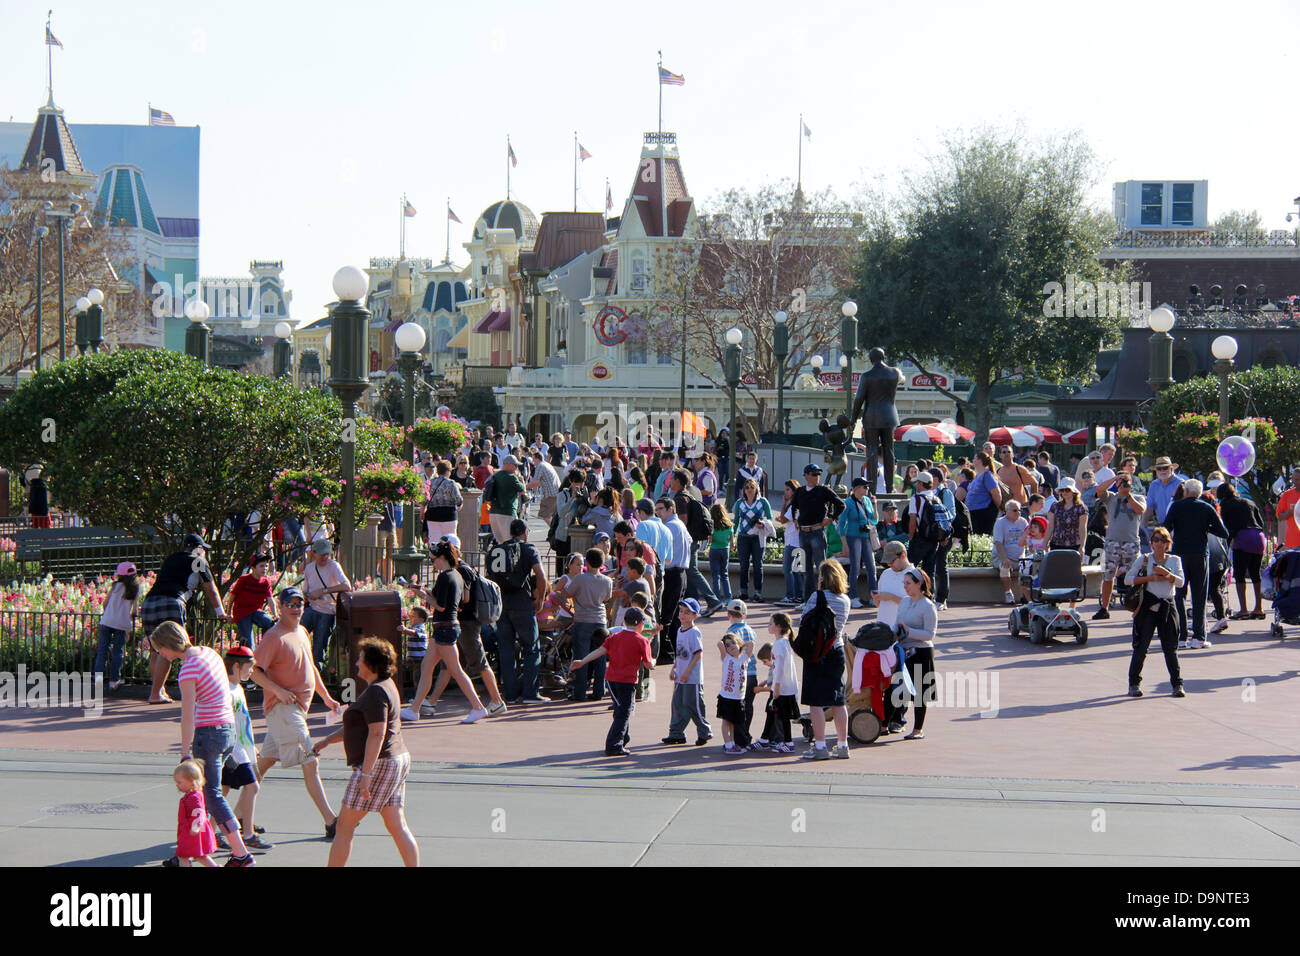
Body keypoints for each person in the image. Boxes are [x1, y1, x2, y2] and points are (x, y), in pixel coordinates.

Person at [150, 622, 255, 867]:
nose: (160, 654)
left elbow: (188, 713)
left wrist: (185, 751)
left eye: (159, 649)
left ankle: (241, 854)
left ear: (167, 645)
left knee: (212, 795)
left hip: (208, 734)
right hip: (228, 730)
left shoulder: (188, 670)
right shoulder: (209, 653)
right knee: (205, 795)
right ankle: (186, 853)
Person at [312, 637, 418, 867]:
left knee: (344, 826)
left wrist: (366, 776)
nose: (357, 663)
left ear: (372, 664)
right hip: (396, 759)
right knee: (396, 824)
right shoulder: (385, 686)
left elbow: (376, 734)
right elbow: (358, 726)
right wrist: (327, 741)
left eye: (360, 658)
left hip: (379, 763)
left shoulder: (376, 693)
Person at [252, 586, 344, 841]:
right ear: (280, 607)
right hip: (284, 710)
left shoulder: (301, 631)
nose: (295, 608)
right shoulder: (273, 637)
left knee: (263, 764)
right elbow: (254, 670)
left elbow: (310, 666)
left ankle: (237, 817)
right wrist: (278, 691)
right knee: (310, 761)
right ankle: (331, 821)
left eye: (298, 603)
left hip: (295, 711)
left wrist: (326, 697)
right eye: (289, 604)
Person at [415, 535, 508, 717]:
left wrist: (436, 599)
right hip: (461, 622)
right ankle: (431, 702)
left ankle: (496, 701)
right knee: (449, 665)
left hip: (467, 623)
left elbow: (463, 600)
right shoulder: (460, 570)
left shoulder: (460, 571)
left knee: (478, 663)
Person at [404, 540, 489, 721]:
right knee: (427, 668)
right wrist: (425, 592)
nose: (432, 562)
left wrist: (422, 595)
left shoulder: (445, 576)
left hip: (444, 627)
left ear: (442, 557)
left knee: (456, 670)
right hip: (446, 627)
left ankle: (478, 707)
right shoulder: (456, 575)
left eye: (433, 559)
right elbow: (456, 600)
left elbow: (440, 606)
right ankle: (414, 709)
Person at [141, 534, 229, 704]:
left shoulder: (171, 559)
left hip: (149, 602)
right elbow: (211, 589)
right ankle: (155, 694)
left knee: (156, 649)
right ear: (199, 549)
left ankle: (159, 691)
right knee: (171, 647)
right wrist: (221, 613)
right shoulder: (198, 561)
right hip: (172, 602)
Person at [571, 606, 655, 756]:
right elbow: (648, 664)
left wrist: (582, 661)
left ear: (625, 621)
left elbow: (600, 651)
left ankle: (623, 738)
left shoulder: (614, 637)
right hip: (627, 681)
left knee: (621, 709)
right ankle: (614, 744)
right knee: (624, 712)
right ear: (641, 623)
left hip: (611, 679)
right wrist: (653, 662)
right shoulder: (642, 641)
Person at [1164, 479, 1230, 649]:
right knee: (1199, 596)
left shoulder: (1176, 506)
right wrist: (1206, 527)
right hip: (1200, 553)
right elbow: (1223, 532)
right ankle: (1199, 637)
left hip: (1179, 553)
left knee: (1179, 594)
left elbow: (1166, 527)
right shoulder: (1206, 507)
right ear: (1200, 493)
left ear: (1186, 491)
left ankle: (1181, 635)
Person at [218, 645, 271, 852]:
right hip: (232, 750)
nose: (252, 671)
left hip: (242, 748)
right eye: (250, 667)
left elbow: (244, 722)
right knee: (252, 786)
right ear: (237, 666)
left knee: (223, 791)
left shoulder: (238, 688)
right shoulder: (225, 690)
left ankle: (211, 832)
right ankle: (247, 834)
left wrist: (252, 746)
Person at [799, 560, 851, 759]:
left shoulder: (816, 596)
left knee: (816, 702)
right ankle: (842, 744)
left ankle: (820, 746)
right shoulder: (845, 600)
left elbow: (805, 619)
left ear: (823, 578)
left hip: (817, 652)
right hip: (836, 650)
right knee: (838, 701)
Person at [1125, 527, 1185, 698]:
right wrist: (1150, 578)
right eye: (1156, 539)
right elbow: (1128, 579)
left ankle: (1177, 684)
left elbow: (1180, 583)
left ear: (1168, 543)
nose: (1159, 543)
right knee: (1141, 648)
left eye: (1163, 540)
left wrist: (1166, 574)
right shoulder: (1144, 559)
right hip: (1148, 608)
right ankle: (1134, 684)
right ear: (1151, 543)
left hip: (1167, 607)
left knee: (1170, 649)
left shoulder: (1175, 560)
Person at [889, 566, 939, 740]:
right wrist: (890, 633)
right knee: (894, 688)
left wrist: (908, 631)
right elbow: (897, 624)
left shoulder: (928, 606)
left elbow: (930, 634)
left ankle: (918, 729)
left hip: (922, 652)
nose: (905, 587)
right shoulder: (904, 601)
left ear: (919, 584)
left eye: (908, 583)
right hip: (903, 651)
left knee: (920, 693)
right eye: (904, 583)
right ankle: (884, 724)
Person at [1094, 473, 1146, 619]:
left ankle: (1139, 607)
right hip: (1112, 542)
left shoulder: (1139, 498)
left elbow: (1140, 510)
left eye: (1127, 482)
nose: (1124, 485)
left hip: (1131, 543)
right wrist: (1115, 478)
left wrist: (1128, 495)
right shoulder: (1111, 497)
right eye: (1122, 482)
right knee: (1108, 576)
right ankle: (1104, 608)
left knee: (1135, 576)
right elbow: (1099, 490)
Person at [565, 548, 614, 702]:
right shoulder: (607, 580)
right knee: (599, 657)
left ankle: (579, 693)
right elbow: (607, 598)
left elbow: (568, 593)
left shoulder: (580, 579)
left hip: (582, 620)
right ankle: (599, 691)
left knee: (581, 657)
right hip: (600, 620)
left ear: (587, 562)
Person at [790, 463, 845, 600]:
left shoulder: (823, 490)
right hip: (803, 533)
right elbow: (794, 506)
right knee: (806, 570)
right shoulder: (800, 491)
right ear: (806, 476)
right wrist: (795, 518)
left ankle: (825, 598)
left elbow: (840, 504)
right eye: (814, 474)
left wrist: (831, 518)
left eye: (819, 474)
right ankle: (808, 600)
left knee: (822, 568)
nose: (817, 477)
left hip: (817, 532)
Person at [662, 598, 712, 745]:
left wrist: (687, 672)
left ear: (694, 616)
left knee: (693, 704)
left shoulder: (694, 632)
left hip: (692, 678)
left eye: (687, 613)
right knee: (677, 704)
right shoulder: (679, 630)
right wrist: (674, 668)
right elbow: (680, 653)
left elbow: (698, 654)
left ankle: (704, 731)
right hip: (680, 676)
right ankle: (676, 733)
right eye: (681, 612)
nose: (683, 615)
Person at [1217, 481, 1266, 620]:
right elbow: (1260, 523)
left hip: (1243, 538)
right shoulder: (1249, 502)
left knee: (1239, 575)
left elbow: (1227, 527)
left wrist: (1226, 544)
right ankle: (1258, 608)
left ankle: (1243, 610)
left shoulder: (1225, 504)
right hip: (1258, 537)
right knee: (1256, 574)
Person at [753, 613, 801, 753]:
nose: (768, 626)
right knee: (772, 712)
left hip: (782, 688)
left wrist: (777, 687)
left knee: (783, 716)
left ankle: (788, 742)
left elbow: (779, 668)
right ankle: (764, 740)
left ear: (778, 626)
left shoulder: (779, 645)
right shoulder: (784, 643)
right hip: (783, 687)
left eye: (770, 623)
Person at [302, 539, 352, 672]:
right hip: (311, 609)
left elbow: (347, 585)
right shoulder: (309, 568)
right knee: (298, 639)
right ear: (314, 553)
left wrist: (323, 591)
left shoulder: (334, 566)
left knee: (318, 648)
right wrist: (307, 595)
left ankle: (318, 676)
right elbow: (305, 590)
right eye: (322, 554)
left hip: (327, 611)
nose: (325, 557)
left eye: (327, 554)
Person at [94, 561, 140, 691]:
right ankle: (114, 681)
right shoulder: (135, 589)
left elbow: (105, 603)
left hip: (107, 621)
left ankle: (98, 681)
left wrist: (109, 613)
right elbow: (134, 611)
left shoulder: (115, 586)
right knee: (117, 652)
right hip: (122, 624)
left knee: (102, 651)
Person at [837, 477, 878, 609]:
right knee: (855, 567)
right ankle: (853, 597)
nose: (867, 489)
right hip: (853, 536)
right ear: (856, 489)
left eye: (867, 487)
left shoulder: (867, 501)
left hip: (866, 536)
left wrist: (875, 504)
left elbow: (874, 520)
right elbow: (841, 524)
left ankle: (874, 596)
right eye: (864, 487)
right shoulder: (848, 502)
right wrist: (844, 543)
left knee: (871, 567)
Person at [172, 759, 218, 867]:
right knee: (199, 855)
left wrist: (195, 827)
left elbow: (199, 812)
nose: (177, 785)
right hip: (193, 830)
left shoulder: (193, 797)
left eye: (179, 782)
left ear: (192, 781)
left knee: (183, 855)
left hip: (192, 831)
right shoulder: (195, 794)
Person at [227, 553, 278, 648]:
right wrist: (229, 613)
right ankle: (250, 658)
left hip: (255, 611)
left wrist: (275, 614)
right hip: (242, 612)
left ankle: (265, 647)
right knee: (249, 643)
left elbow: (270, 599)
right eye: (261, 566)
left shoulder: (265, 581)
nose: (265, 568)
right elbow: (232, 597)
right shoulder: (244, 579)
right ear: (253, 568)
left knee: (269, 622)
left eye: (266, 566)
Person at [715, 634, 753, 754]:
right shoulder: (726, 658)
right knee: (726, 721)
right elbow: (719, 644)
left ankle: (732, 742)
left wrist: (741, 644)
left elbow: (752, 644)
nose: (730, 646)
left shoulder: (744, 658)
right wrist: (725, 643)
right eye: (728, 645)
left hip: (739, 697)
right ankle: (728, 744)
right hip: (727, 696)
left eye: (733, 643)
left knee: (733, 722)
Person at [992, 501, 1028, 604]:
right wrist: (1004, 558)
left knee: (1028, 567)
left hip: (1020, 557)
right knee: (1005, 566)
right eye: (1015, 510)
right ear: (1007, 511)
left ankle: (1024, 595)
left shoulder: (1023, 522)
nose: (1018, 512)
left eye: (1019, 510)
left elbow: (1028, 539)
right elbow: (998, 543)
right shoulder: (1000, 523)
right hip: (1002, 556)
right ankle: (1008, 593)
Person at [774, 480, 803, 606]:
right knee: (796, 570)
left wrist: (783, 503)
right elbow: (784, 520)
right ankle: (798, 596)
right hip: (799, 542)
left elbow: (783, 520)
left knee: (787, 569)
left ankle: (790, 596)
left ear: (793, 491)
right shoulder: (799, 505)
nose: (785, 492)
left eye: (787, 490)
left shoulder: (793, 506)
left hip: (792, 542)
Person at [872, 541, 912, 633]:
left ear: (902, 556)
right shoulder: (886, 573)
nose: (889, 564)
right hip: (883, 631)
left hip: (903, 634)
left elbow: (915, 607)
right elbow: (879, 605)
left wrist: (891, 597)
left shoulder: (915, 576)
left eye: (891, 561)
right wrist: (877, 599)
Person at [1045, 477, 1088, 556]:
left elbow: (1082, 528)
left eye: (1067, 490)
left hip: (1074, 545)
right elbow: (1050, 526)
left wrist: (1082, 546)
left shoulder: (1081, 508)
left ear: (1073, 492)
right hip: (1056, 544)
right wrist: (1045, 543)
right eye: (1062, 490)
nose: (1064, 492)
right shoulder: (1055, 506)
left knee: (1072, 568)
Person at [424, 460, 463, 544]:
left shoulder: (430, 482)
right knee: (450, 542)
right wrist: (458, 507)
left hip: (433, 515)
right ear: (448, 471)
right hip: (449, 515)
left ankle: (435, 557)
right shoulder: (451, 483)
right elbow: (458, 500)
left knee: (434, 542)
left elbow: (424, 499)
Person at [964, 452, 1002, 535]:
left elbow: (996, 493)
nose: (972, 460)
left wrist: (999, 509)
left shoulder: (987, 475)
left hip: (982, 513)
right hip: (973, 512)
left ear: (980, 461)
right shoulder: (978, 475)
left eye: (974, 458)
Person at [1144, 457, 1185, 526]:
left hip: (1179, 524)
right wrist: (1142, 526)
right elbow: (1149, 508)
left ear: (1171, 468)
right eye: (1159, 469)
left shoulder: (1181, 484)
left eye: (1165, 468)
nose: (1162, 471)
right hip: (1161, 525)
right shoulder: (1154, 485)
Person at [708, 503, 734, 603]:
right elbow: (732, 541)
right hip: (725, 550)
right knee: (724, 574)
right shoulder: (729, 525)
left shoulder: (712, 525)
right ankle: (728, 599)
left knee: (715, 576)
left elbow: (710, 540)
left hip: (714, 549)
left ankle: (717, 599)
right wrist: (731, 546)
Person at [527, 451, 560, 523]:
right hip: (556, 492)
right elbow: (539, 482)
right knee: (554, 515)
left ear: (537, 459)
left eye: (533, 459)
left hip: (550, 494)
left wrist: (524, 487)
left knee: (544, 515)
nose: (533, 462)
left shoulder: (540, 466)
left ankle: (554, 531)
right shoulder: (547, 464)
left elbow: (535, 481)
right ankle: (556, 530)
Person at [1275, 467, 1300, 552]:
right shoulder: (1287, 495)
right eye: (1295, 480)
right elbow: (1279, 517)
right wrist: (1289, 513)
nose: (1297, 482)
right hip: (1292, 542)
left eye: (1299, 480)